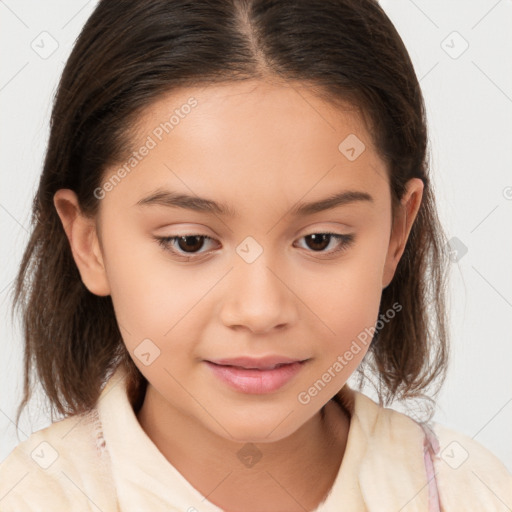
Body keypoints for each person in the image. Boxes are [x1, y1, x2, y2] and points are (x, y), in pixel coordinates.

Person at [1, 0, 511, 510]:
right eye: (190, 242)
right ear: (89, 243)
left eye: (320, 240)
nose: (260, 310)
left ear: (396, 234)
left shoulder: (470, 492)